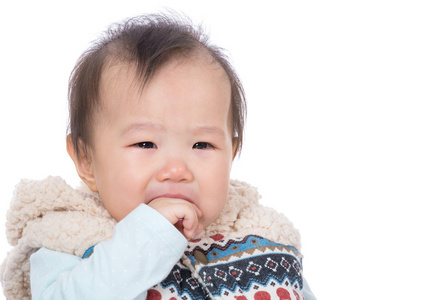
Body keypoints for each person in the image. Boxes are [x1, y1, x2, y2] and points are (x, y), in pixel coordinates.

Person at [1, 13, 316, 300]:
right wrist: (149, 234)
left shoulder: (265, 236)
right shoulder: (68, 240)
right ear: (86, 160)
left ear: (231, 154)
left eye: (202, 145)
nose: (177, 169)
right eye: (146, 144)